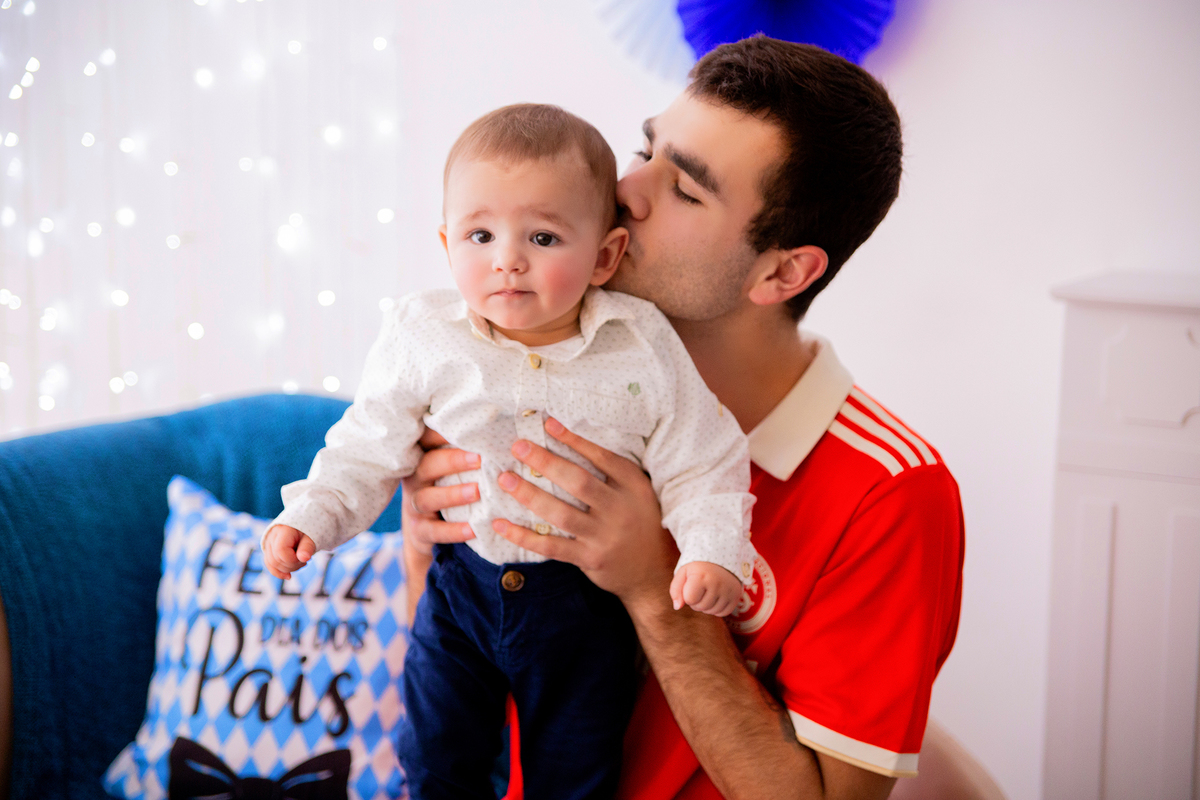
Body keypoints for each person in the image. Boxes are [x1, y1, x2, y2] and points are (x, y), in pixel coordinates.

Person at [400, 36, 965, 800]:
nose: (628, 190)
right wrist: (427, 548)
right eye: (646, 149)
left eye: (688, 190)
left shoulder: (891, 495)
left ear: (782, 271)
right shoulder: (509, 365)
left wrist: (651, 587)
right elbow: (455, 697)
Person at [261, 103, 758, 798]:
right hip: (461, 587)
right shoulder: (423, 334)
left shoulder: (638, 342)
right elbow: (365, 443)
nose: (508, 260)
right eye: (481, 234)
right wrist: (311, 517)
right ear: (446, 244)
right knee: (435, 756)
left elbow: (700, 454)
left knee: (575, 770)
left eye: (545, 237)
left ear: (604, 255)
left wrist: (709, 549)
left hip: (583, 607)